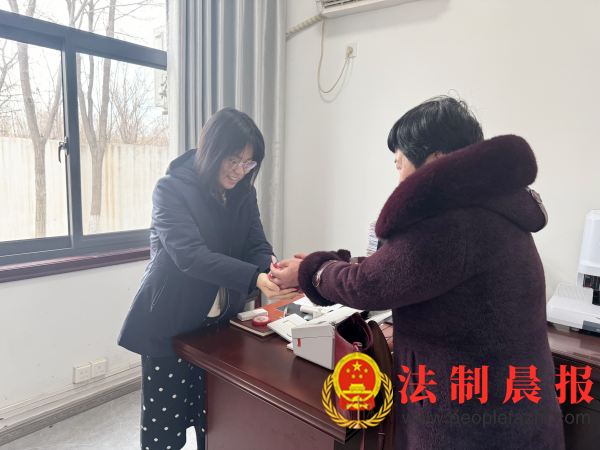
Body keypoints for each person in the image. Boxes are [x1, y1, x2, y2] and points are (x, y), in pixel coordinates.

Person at [270, 97, 564, 450]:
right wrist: (331, 263)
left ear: (435, 159)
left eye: (399, 163)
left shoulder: (453, 221)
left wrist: (313, 271)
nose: (398, 177)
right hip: (517, 412)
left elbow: (368, 285)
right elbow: (405, 267)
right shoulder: (494, 208)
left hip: (469, 426)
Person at [118, 107, 297, 450]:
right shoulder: (170, 190)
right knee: (164, 430)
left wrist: (270, 270)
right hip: (170, 323)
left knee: (216, 421)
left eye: (249, 163)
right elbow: (190, 256)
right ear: (211, 150)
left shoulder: (245, 193)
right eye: (233, 160)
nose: (240, 171)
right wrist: (254, 277)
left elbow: (256, 244)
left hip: (219, 326)